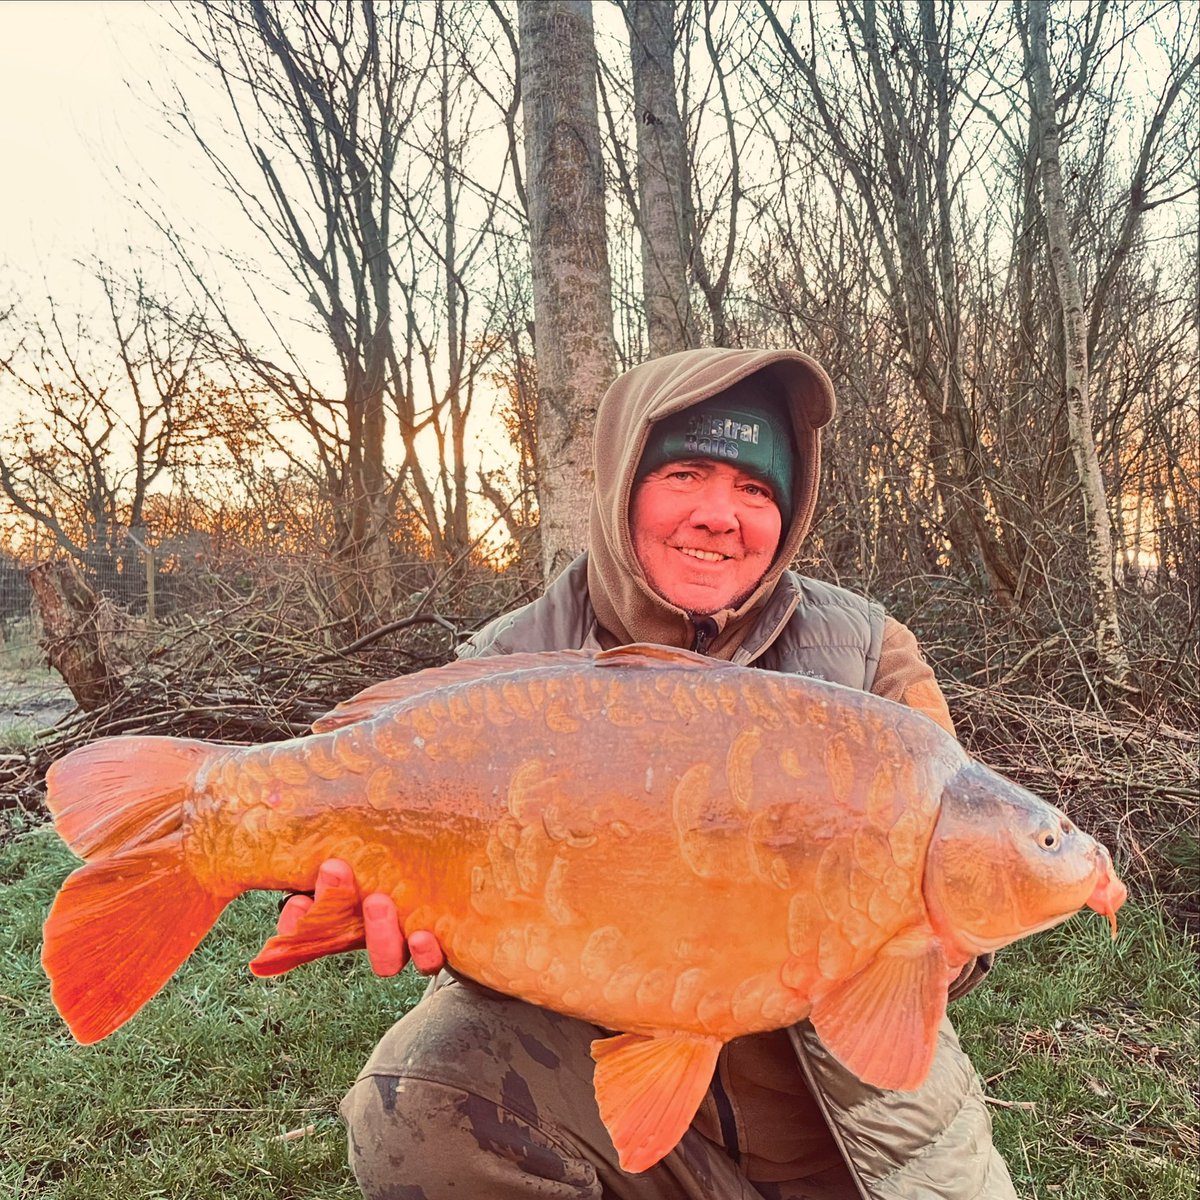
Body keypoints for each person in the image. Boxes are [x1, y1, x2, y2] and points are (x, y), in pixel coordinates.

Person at [281, 347, 1017, 1199]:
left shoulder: (863, 652)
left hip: (853, 1144)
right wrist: (360, 898)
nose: (719, 515)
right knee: (417, 1096)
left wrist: (918, 933)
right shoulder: (511, 665)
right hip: (624, 1112)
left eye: (755, 490)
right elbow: (470, 940)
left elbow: (962, 892)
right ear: (621, 483)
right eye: (686, 473)